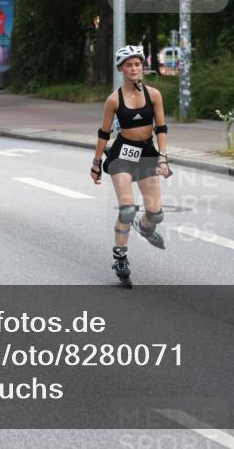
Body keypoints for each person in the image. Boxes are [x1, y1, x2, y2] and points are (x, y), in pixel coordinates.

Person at [91, 45, 172, 285]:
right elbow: (104, 134)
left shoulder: (154, 95)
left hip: (147, 152)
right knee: (127, 209)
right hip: (122, 155)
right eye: (129, 65)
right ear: (121, 69)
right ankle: (120, 257)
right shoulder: (113, 100)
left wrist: (163, 156)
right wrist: (96, 163)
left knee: (156, 213)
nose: (134, 68)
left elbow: (161, 128)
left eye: (137, 64)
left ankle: (145, 228)